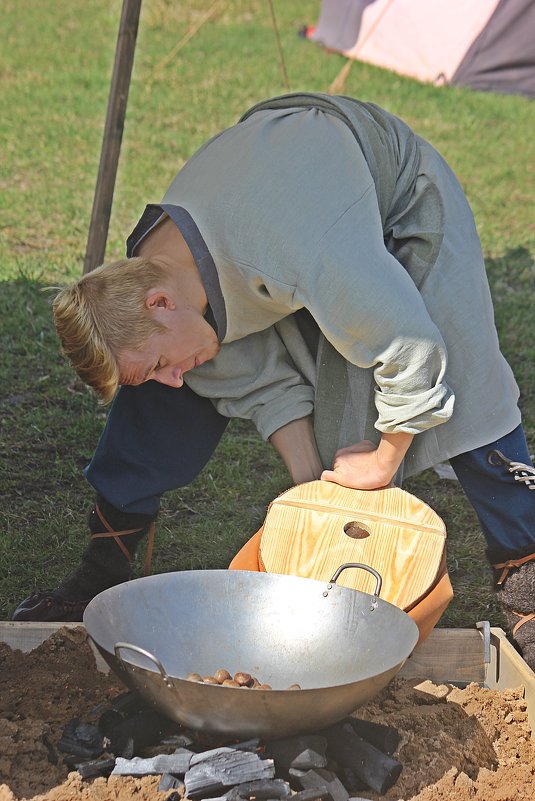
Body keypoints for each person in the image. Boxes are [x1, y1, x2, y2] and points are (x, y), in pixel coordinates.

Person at [12, 92, 535, 667]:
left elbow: (410, 347)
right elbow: (255, 382)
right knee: (163, 392)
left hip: (396, 201)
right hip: (277, 228)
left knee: (472, 389)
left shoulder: (297, 245)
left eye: (159, 363)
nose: (170, 377)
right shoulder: (154, 275)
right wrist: (312, 492)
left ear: (161, 302)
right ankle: (100, 566)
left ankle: (526, 587)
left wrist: (385, 457)